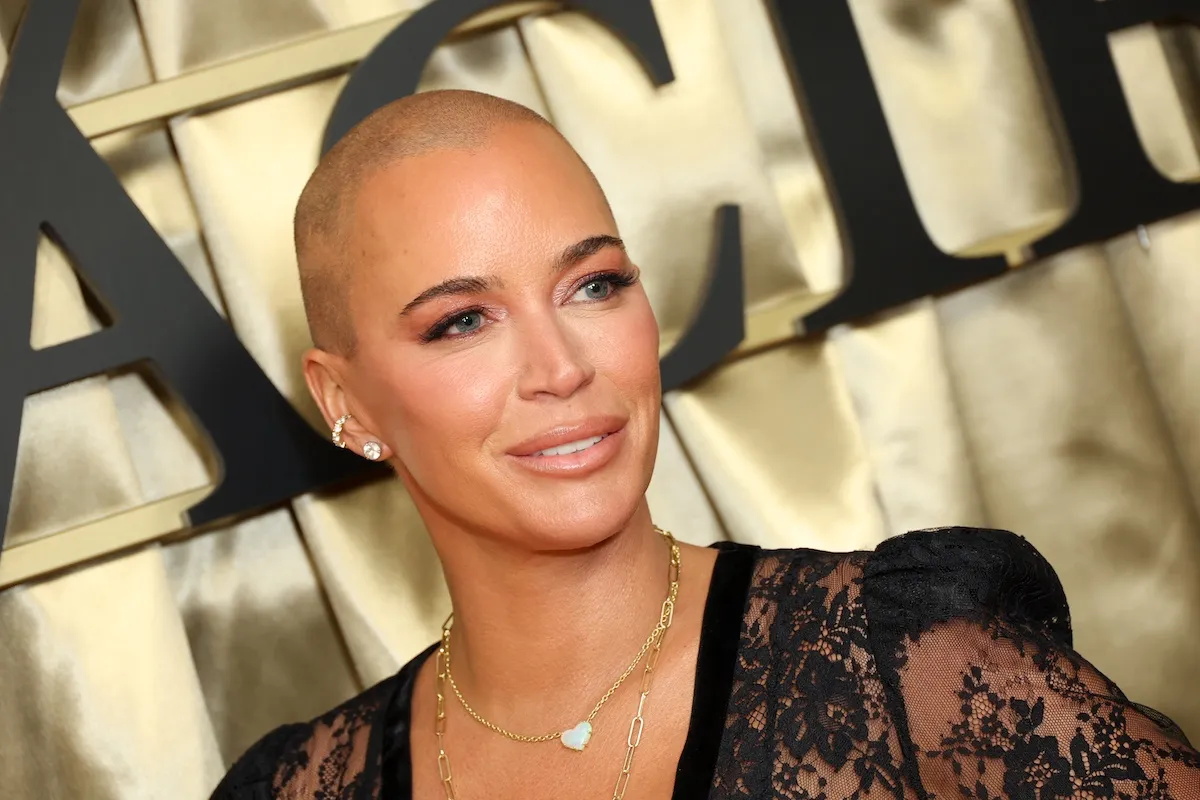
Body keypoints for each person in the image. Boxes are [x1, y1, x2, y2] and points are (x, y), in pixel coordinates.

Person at [210, 89, 1200, 800]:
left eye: (593, 285)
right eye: (462, 320)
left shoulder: (907, 666)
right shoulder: (300, 785)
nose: (560, 366)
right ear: (346, 400)